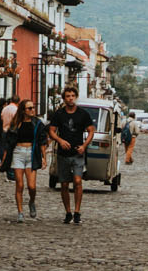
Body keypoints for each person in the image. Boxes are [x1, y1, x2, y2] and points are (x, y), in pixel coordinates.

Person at [45, 87, 95, 225]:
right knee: (64, 184)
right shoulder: (59, 114)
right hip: (63, 154)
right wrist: (60, 140)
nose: (70, 98)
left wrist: (84, 145)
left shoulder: (83, 114)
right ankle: (68, 212)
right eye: (68, 96)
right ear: (64, 98)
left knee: (78, 182)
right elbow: (52, 130)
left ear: (76, 97)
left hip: (77, 153)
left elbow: (91, 130)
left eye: (73, 95)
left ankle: (77, 212)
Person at [3, 99, 44, 221]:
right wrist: (5, 157)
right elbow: (9, 142)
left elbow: (42, 141)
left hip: (31, 154)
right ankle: (20, 212)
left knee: (32, 186)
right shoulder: (16, 123)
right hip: (18, 153)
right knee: (19, 185)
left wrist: (44, 158)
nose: (32, 110)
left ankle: (32, 202)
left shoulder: (37, 123)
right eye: (29, 108)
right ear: (23, 110)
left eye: (33, 107)